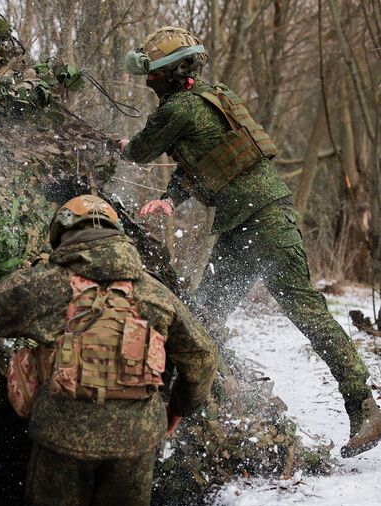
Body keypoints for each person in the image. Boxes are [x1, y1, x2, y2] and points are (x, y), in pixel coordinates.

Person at [119, 27, 381, 458]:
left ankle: (363, 407)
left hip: (264, 224)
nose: (148, 81)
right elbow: (204, 163)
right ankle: (222, 401)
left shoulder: (179, 109)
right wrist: (170, 198)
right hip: (249, 222)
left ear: (173, 73)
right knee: (206, 318)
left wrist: (119, 146)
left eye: (153, 74)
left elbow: (139, 151)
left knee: (299, 316)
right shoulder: (213, 97)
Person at [0, 194, 218, 506]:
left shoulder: (46, 285)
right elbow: (204, 356)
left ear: (62, 233)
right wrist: (177, 409)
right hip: (135, 440)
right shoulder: (153, 293)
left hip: (62, 437)